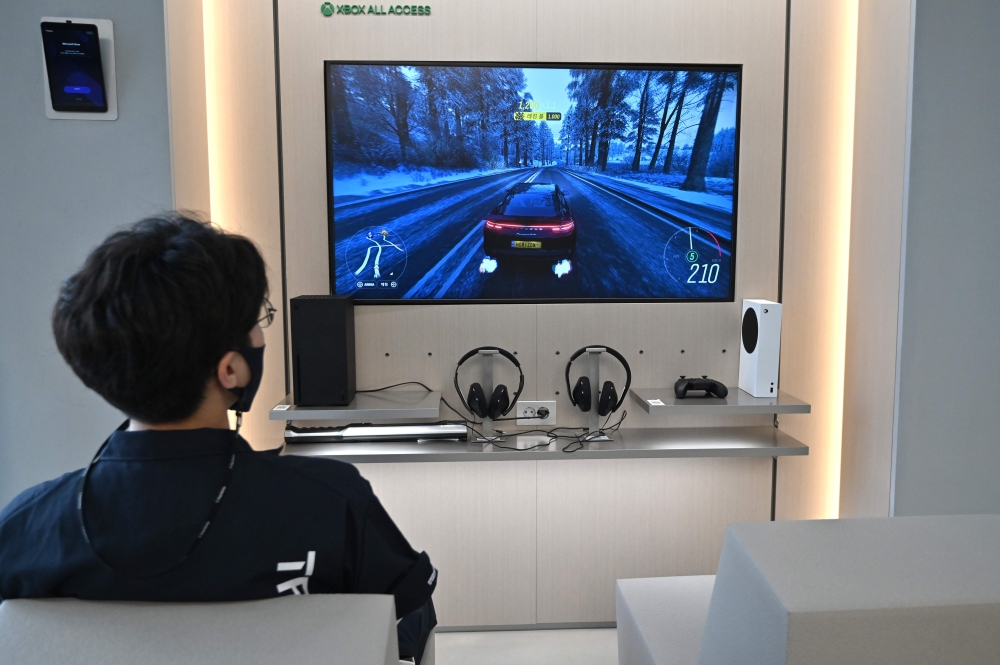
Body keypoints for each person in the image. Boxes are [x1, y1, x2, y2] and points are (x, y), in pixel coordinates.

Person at [0, 214, 436, 663]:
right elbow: (408, 622)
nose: (262, 332)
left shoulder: (26, 526)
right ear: (231, 369)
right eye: (258, 319)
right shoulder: (331, 502)